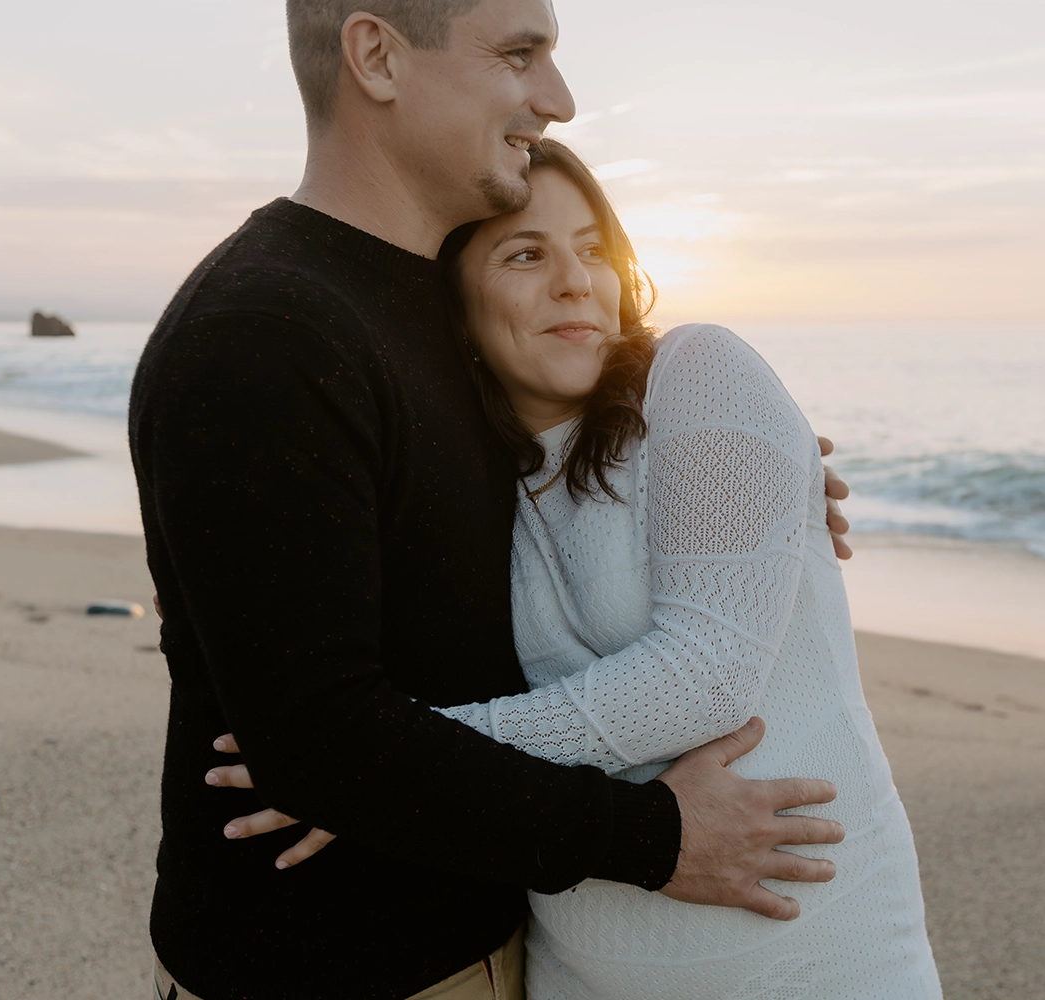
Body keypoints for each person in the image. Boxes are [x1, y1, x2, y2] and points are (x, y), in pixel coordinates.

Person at [127, 2, 853, 998]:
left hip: (493, 945)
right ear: (377, 55)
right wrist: (655, 838)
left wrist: (751, 469)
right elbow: (323, 745)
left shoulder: (427, 309)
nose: (557, 101)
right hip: (334, 968)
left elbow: (526, 472)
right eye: (521, 55)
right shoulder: (267, 334)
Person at [212, 140, 944, 997]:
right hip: (574, 971)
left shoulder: (697, 375)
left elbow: (703, 679)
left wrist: (372, 771)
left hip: (809, 957)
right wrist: (372, 763)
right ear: (451, 306)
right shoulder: (455, 478)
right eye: (526, 254)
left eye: (594, 249)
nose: (574, 281)